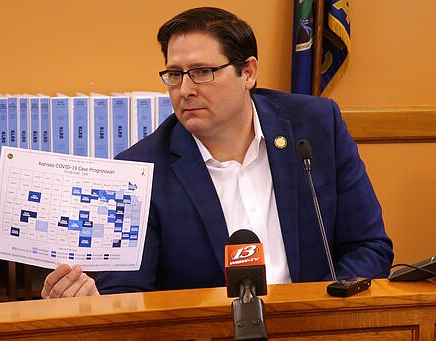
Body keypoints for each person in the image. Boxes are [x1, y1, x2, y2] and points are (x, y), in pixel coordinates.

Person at [41, 7, 393, 298]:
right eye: (175, 75)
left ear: (248, 72)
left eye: (202, 72)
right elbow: (128, 289)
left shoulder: (316, 127)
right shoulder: (141, 169)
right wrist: (93, 302)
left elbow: (369, 246)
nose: (185, 89)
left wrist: (322, 308)